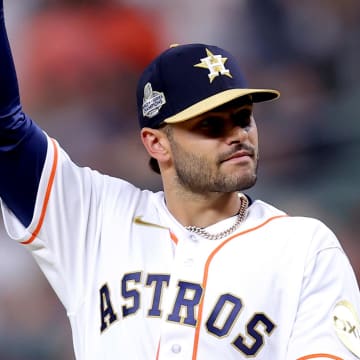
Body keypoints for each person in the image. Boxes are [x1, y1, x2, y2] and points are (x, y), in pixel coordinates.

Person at [1, 1, 360, 359]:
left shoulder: (303, 246)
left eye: (243, 117)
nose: (237, 135)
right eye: (210, 124)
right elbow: (7, 133)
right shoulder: (95, 218)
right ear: (157, 143)